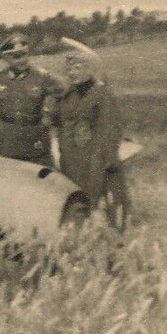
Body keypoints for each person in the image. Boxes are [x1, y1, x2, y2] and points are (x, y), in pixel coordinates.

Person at [55, 38, 130, 229]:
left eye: (78, 68)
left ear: (89, 69)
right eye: (70, 69)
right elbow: (61, 123)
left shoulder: (101, 94)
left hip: (95, 157)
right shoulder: (67, 95)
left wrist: (107, 158)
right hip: (71, 159)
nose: (73, 73)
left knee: (100, 201)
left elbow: (110, 128)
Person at [0, 33, 62, 167]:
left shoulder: (41, 76)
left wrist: (49, 115)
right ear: (7, 58)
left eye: (24, 55)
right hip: (8, 139)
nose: (22, 60)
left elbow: (63, 92)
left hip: (36, 136)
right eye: (16, 57)